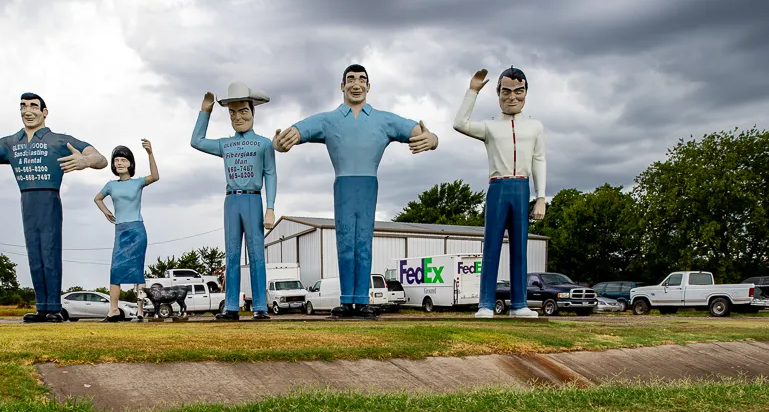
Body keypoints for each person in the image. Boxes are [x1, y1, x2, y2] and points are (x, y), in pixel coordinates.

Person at [273, 65, 438, 318]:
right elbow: (297, 130)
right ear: (342, 86)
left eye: (362, 79)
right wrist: (282, 140)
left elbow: (418, 131)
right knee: (345, 243)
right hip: (343, 185)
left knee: (363, 243)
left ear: (369, 87)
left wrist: (432, 139)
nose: (356, 84)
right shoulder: (330, 119)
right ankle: (346, 300)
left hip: (368, 184)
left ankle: (361, 300)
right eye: (350, 79)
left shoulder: (383, 120)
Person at [0, 93, 106, 322]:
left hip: (49, 199)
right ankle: (41, 307)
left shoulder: (58, 141)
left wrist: (85, 161)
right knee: (34, 255)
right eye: (23, 106)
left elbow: (100, 158)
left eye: (33, 106)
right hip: (26, 201)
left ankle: (54, 308)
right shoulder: (11, 143)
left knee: (50, 251)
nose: (27, 111)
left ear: (44, 112)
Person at [453, 67, 547, 319]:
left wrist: (541, 196)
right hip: (497, 187)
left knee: (520, 249)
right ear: (498, 93)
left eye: (519, 91)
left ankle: (519, 303)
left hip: (521, 188)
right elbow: (459, 123)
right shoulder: (491, 126)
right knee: (492, 247)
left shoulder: (535, 127)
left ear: (526, 92)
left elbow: (539, 159)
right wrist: (472, 91)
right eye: (506, 91)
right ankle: (485, 303)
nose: (512, 97)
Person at [191, 81, 278, 322]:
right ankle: (231, 306)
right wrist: (205, 112)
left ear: (253, 112)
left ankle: (260, 306)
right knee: (231, 255)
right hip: (232, 201)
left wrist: (270, 207)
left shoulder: (264, 144)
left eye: (243, 111)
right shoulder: (225, 144)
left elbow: (270, 174)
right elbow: (196, 141)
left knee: (257, 254)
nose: (238, 117)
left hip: (253, 200)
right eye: (232, 112)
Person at [94, 140, 159, 321]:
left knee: (137, 271)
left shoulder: (138, 182)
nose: (119, 163)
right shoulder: (110, 185)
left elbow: (155, 176)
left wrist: (150, 153)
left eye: (123, 160)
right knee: (115, 270)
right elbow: (97, 199)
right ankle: (113, 310)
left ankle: (140, 311)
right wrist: (106, 212)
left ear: (130, 163)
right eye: (116, 161)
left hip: (137, 230)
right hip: (120, 230)